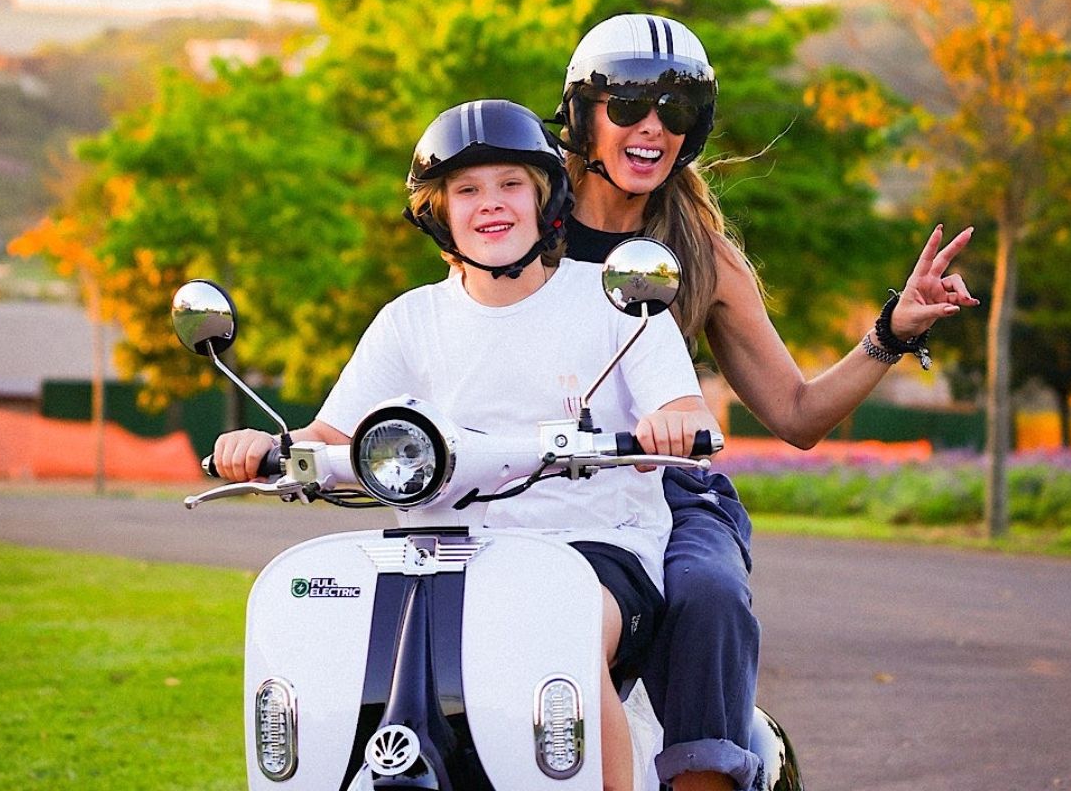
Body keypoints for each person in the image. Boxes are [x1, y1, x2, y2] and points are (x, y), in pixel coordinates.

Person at [210, 98, 721, 791]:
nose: (491, 204)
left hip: (592, 551)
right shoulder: (410, 320)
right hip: (434, 556)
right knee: (332, 650)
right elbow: (329, 438)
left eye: (511, 184)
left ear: (545, 200)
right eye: (467, 190)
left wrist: (671, 422)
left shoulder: (615, 303)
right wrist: (265, 447)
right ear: (439, 213)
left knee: (563, 633)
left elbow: (685, 409)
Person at [550, 13, 980, 791]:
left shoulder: (701, 253)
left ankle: (705, 779)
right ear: (583, 116)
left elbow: (798, 414)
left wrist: (892, 331)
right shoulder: (522, 230)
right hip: (532, 478)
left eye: (677, 110)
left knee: (709, 590)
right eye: (630, 105)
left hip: (663, 486)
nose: (653, 128)